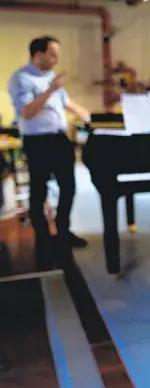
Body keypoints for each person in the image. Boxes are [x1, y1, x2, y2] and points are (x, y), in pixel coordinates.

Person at [8, 36, 90, 269]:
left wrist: (90, 116)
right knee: (39, 189)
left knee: (69, 186)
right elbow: (26, 112)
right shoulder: (21, 79)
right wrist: (50, 89)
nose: (57, 59)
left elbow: (66, 103)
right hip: (38, 141)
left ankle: (63, 232)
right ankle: (44, 239)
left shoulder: (49, 78)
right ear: (38, 54)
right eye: (53, 54)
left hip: (59, 138)